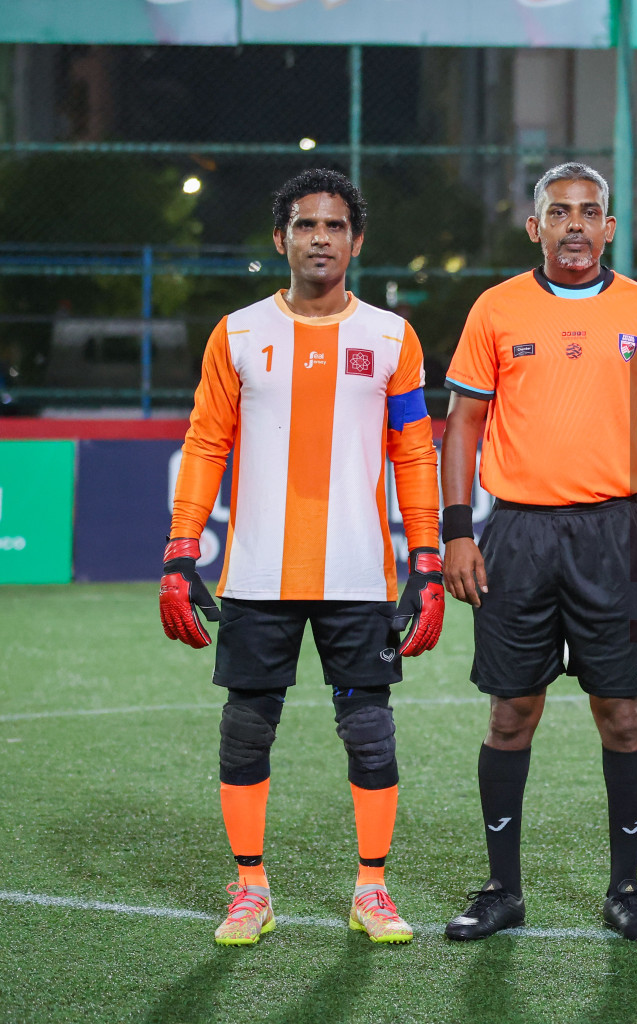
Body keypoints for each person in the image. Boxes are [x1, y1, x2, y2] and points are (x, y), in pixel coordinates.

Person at [160, 168, 443, 946]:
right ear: (281, 238)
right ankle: (251, 888)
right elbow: (205, 442)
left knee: (370, 731)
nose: (322, 237)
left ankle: (372, 890)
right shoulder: (239, 332)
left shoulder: (391, 336)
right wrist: (183, 546)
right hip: (256, 574)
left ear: (357, 240)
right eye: (306, 224)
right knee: (247, 730)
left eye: (336, 225)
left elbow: (414, 451)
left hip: (357, 574)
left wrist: (425, 559)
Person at [438, 163, 637, 943]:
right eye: (560, 213)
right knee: (511, 712)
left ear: (610, 227)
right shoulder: (496, 307)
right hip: (517, 532)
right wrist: (457, 529)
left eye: (590, 212)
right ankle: (501, 889)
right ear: (536, 227)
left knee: (622, 716)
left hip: (613, 534)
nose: (576, 225)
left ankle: (626, 890)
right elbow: (461, 425)